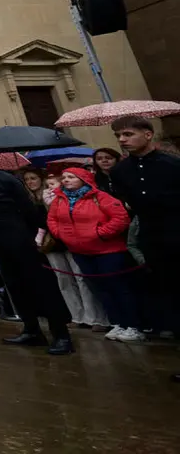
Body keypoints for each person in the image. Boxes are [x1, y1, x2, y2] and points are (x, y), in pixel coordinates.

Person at [0, 145, 73, 354]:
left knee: (40, 285)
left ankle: (61, 334)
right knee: (15, 285)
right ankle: (32, 329)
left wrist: (35, 235)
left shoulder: (6, 179)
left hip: (19, 235)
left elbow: (27, 208)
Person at [107, 115, 180, 383]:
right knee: (172, 299)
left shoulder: (172, 165)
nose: (122, 140)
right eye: (119, 136)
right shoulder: (119, 172)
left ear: (147, 134)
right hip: (154, 241)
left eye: (127, 134)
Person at [46, 168, 143, 343]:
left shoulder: (101, 197)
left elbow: (120, 218)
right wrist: (60, 234)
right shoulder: (60, 199)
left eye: (71, 177)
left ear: (84, 179)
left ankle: (133, 325)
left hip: (108, 251)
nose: (66, 180)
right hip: (79, 250)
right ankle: (118, 322)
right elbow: (52, 219)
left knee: (119, 287)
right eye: (64, 177)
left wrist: (100, 233)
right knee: (100, 288)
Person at [21, 167, 108, 330]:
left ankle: (95, 317)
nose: (30, 182)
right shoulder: (31, 199)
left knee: (81, 278)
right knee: (64, 280)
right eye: (27, 179)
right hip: (50, 243)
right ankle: (76, 314)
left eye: (33, 178)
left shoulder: (58, 196)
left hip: (67, 240)